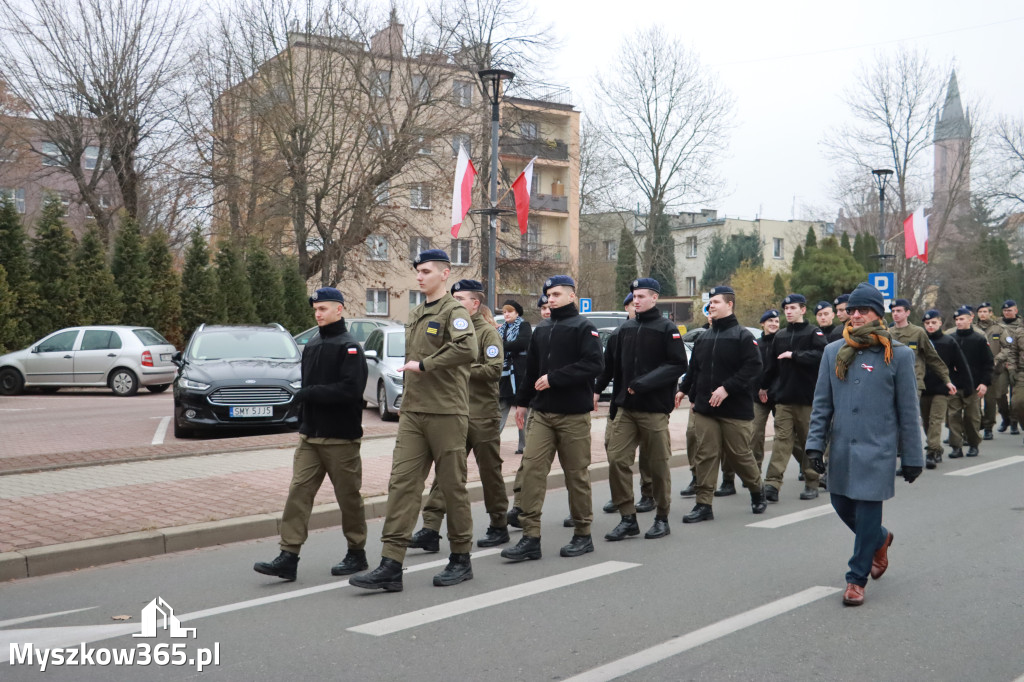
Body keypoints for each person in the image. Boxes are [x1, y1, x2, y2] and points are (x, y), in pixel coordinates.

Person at [350, 250, 477, 592]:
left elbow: (468, 349)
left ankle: (461, 558)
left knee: (451, 488)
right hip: (415, 412)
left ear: (444, 274)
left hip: (447, 412)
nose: (419, 277)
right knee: (402, 484)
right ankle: (391, 564)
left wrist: (426, 365)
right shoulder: (417, 312)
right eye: (417, 272)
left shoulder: (455, 311)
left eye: (425, 271)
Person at [806, 282, 922, 607]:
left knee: (867, 512)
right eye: (852, 310)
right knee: (841, 505)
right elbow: (822, 405)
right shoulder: (832, 352)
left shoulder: (897, 354)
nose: (855, 315)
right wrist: (815, 445)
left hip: (878, 449)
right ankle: (881, 539)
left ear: (877, 314)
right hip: (842, 447)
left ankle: (856, 579)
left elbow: (909, 411)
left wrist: (912, 456)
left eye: (864, 310)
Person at [254, 287, 369, 582]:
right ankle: (288, 556)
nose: (317, 314)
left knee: (348, 499)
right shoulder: (314, 342)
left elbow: (351, 390)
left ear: (339, 309)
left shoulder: (349, 346)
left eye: (323, 309)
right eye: (315, 309)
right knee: (298, 495)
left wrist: (308, 394)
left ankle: (357, 553)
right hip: (310, 437)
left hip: (340, 438)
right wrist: (302, 418)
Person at [501, 275, 604, 561]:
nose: (551, 299)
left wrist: (556, 378)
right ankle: (530, 537)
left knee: (576, 476)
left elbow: (595, 364)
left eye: (557, 294)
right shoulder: (542, 328)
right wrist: (521, 403)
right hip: (542, 413)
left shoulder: (584, 328)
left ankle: (583, 534)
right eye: (548, 295)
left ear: (572, 296)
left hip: (573, 414)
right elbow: (531, 370)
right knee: (532, 472)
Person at [409, 280, 510, 552]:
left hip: (481, 414)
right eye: (454, 298)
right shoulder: (450, 330)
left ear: (475, 304)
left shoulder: (488, 333)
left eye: (462, 299)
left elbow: (493, 371)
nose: (455, 303)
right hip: (453, 411)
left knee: (490, 471)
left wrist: (458, 368)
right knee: (446, 472)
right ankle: (430, 528)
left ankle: (499, 523)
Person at [596, 278, 687, 541]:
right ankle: (627, 518)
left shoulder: (666, 329)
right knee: (616, 459)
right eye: (634, 296)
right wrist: (597, 390)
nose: (636, 300)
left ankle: (662, 517)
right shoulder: (625, 329)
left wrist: (644, 383)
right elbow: (610, 366)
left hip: (654, 409)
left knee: (657, 466)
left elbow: (678, 364)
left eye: (642, 296)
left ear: (654, 298)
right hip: (625, 407)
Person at [675, 286, 768, 523]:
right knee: (705, 454)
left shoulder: (742, 336)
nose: (711, 305)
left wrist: (727, 388)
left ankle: (757, 491)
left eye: (716, 301)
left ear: (730, 305)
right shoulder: (704, 337)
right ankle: (703, 504)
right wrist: (683, 390)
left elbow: (753, 367)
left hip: (735, 409)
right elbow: (695, 369)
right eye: (710, 302)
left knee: (739, 455)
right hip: (706, 408)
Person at [762, 293, 826, 501]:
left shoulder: (812, 333)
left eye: (792, 308)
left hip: (807, 399)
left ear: (803, 310)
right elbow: (771, 366)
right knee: (781, 441)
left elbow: (822, 356)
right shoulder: (780, 336)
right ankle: (772, 484)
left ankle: (812, 481)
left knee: (809, 441)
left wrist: (795, 355)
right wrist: (762, 386)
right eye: (786, 309)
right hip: (784, 399)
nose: (788, 312)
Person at [599, 293, 657, 515]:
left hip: (650, 404)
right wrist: (596, 391)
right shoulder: (619, 334)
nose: (637, 306)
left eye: (640, 301)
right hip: (622, 403)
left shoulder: (658, 330)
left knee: (649, 454)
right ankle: (620, 495)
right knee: (612, 448)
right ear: (627, 308)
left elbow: (672, 366)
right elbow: (608, 369)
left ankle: (648, 493)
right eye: (633, 304)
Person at [921, 309, 971, 469]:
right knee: (926, 421)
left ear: (940, 323)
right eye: (927, 323)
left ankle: (932, 451)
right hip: (923, 387)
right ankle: (937, 448)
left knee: (936, 420)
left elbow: (961, 365)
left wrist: (967, 385)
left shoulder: (948, 342)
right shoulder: (920, 340)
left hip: (942, 388)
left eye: (933, 322)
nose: (930, 326)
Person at [946, 306, 993, 458]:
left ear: (970, 319)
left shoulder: (979, 339)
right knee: (953, 416)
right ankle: (956, 446)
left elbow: (988, 363)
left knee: (972, 418)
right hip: (954, 385)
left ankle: (973, 444)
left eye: (962, 319)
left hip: (973, 385)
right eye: (957, 320)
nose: (959, 322)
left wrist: (985, 383)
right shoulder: (951, 339)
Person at [888, 298, 954, 399]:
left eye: (899, 311)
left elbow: (932, 357)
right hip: (891, 382)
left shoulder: (918, 332)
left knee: (910, 413)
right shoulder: (887, 334)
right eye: (893, 311)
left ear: (907, 312)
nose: (895, 314)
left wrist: (947, 380)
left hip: (913, 382)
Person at [497, 299, 531, 454]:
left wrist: (501, 345)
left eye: (509, 311)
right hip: (504, 376)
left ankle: (524, 446)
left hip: (519, 375)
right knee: (500, 409)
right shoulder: (501, 329)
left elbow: (522, 343)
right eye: (504, 312)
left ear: (517, 312)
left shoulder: (524, 326)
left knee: (522, 411)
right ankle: (490, 443)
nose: (506, 314)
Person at [975, 302, 1012, 440]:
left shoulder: (999, 329)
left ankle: (989, 427)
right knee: (975, 399)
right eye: (980, 312)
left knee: (990, 399)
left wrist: (998, 358)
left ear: (990, 313)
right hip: (975, 369)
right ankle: (979, 423)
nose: (982, 314)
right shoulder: (973, 329)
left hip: (993, 370)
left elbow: (1008, 347)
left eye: (985, 311)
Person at [999, 300, 1022, 434]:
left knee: (1015, 395)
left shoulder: (1021, 325)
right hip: (1000, 364)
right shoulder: (997, 325)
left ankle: (1014, 421)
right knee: (999, 393)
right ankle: (1005, 417)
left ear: (1016, 311)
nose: (1007, 312)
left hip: (1017, 365)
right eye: (1005, 310)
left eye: (1010, 310)